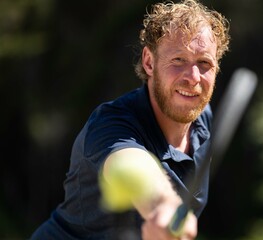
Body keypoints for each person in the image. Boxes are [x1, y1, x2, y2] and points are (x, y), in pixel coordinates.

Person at [30, 0, 230, 239]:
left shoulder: (203, 119)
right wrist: (164, 207)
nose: (193, 77)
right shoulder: (110, 125)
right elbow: (131, 167)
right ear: (149, 62)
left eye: (204, 63)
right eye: (178, 60)